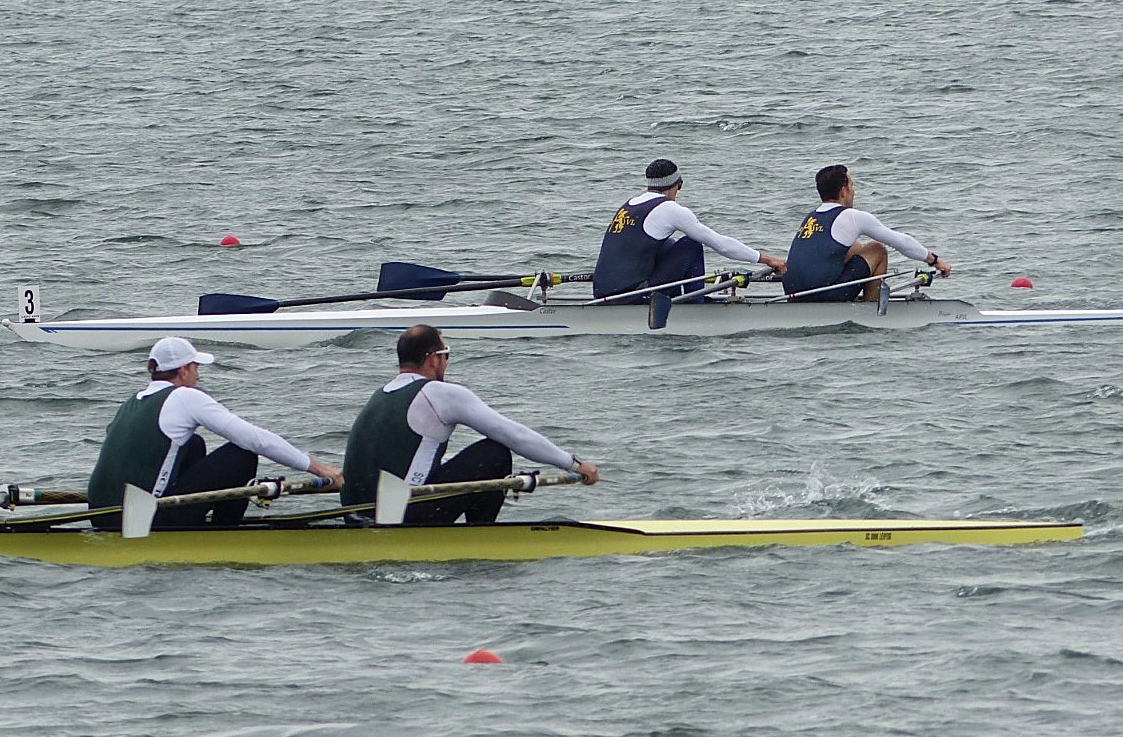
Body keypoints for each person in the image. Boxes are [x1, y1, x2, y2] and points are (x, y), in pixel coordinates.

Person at [341, 325, 600, 524]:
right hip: (402, 515)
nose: (446, 362)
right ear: (433, 359)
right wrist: (574, 464)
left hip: (356, 514)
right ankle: (479, 534)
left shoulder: (379, 395)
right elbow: (514, 435)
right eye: (446, 355)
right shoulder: (439, 393)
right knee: (494, 452)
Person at [87, 336, 342, 528]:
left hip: (101, 516)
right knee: (242, 453)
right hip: (142, 520)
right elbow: (256, 439)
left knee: (194, 443)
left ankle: (196, 522)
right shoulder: (185, 397)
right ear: (183, 370)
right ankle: (224, 532)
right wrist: (320, 470)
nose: (198, 376)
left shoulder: (131, 403)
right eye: (196, 368)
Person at [592, 159, 786, 300]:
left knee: (668, 244)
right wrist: (767, 259)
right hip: (634, 295)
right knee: (691, 244)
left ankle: (675, 300)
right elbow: (720, 244)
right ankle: (695, 306)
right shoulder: (669, 209)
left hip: (602, 292)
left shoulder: (629, 204)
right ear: (676, 184)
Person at [783, 164, 952, 302]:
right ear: (843, 191)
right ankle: (871, 307)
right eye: (852, 185)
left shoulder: (811, 217)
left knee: (855, 248)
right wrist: (934, 260)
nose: (854, 191)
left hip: (792, 294)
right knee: (877, 249)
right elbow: (902, 242)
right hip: (824, 295)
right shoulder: (852, 216)